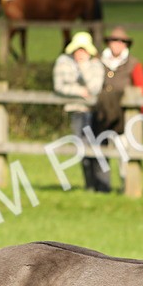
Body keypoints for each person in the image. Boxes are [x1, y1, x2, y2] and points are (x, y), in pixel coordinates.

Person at [94, 26, 143, 193]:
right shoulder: (100, 62)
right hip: (103, 114)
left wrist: (138, 116)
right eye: (114, 41)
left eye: (121, 41)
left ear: (126, 45)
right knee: (100, 151)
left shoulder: (133, 64)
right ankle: (102, 186)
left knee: (124, 152)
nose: (117, 44)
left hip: (124, 118)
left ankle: (126, 185)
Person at [53, 31, 106, 191]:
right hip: (77, 112)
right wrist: (79, 91)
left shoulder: (96, 65)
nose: (80, 54)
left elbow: (95, 88)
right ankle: (89, 184)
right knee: (82, 147)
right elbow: (59, 86)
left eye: (84, 50)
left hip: (94, 112)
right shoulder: (63, 62)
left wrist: (83, 69)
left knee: (97, 148)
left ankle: (101, 185)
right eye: (78, 50)